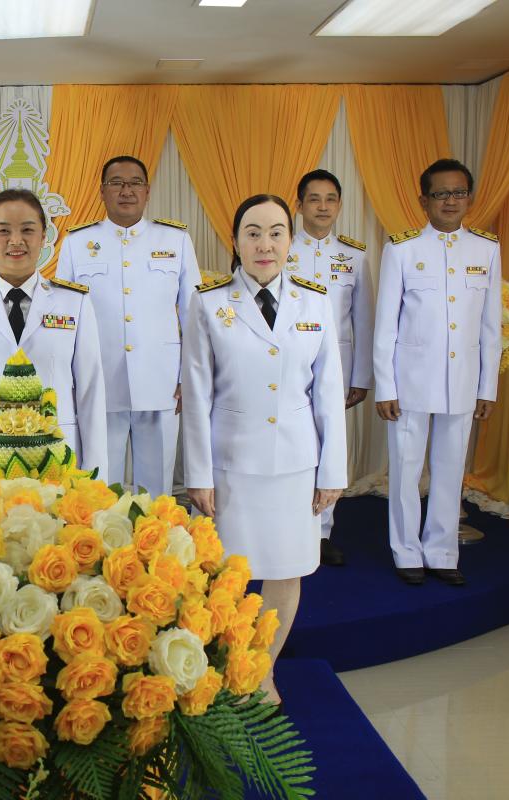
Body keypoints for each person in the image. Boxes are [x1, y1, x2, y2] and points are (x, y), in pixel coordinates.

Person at [183, 194, 347, 705]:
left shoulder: (315, 302)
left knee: (285, 568)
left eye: (276, 232)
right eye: (252, 233)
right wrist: (198, 474)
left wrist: (333, 471)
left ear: (290, 241)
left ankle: (264, 669)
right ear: (235, 241)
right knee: (225, 576)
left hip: (295, 465)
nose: (265, 244)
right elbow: (196, 394)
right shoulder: (208, 303)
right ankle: (227, 666)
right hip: (230, 465)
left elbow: (328, 393)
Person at [373, 159, 501, 587]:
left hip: (461, 381)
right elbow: (386, 326)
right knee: (406, 470)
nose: (450, 201)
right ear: (423, 200)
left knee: (450, 469)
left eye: (458, 192)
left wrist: (487, 386)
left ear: (470, 197)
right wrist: (385, 386)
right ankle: (406, 550)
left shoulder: (486, 249)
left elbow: (490, 325)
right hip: (410, 381)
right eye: (441, 193)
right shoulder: (402, 249)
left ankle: (443, 552)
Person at [0, 188, 108, 479]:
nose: (16, 241)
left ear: (44, 236)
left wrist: (96, 479)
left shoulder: (74, 302)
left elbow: (90, 394)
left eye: (27, 230)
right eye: (3, 231)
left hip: (57, 462)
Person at [57, 155, 200, 497]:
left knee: (158, 489)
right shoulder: (76, 242)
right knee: (100, 487)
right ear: (102, 191)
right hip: (99, 380)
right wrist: (68, 379)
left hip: (162, 380)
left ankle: (157, 532)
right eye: (116, 183)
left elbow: (195, 313)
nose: (126, 190)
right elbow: (63, 317)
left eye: (135, 183)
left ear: (147, 191)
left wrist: (187, 376)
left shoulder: (175, 240)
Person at [290, 169, 375, 567]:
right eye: (314, 199)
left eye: (330, 199)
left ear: (339, 205)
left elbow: (364, 319)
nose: (322, 207)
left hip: (337, 367)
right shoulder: (281, 247)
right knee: (293, 445)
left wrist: (362, 377)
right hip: (289, 365)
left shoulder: (354, 255)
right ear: (299, 205)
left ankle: (322, 532)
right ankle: (290, 526)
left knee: (329, 447)